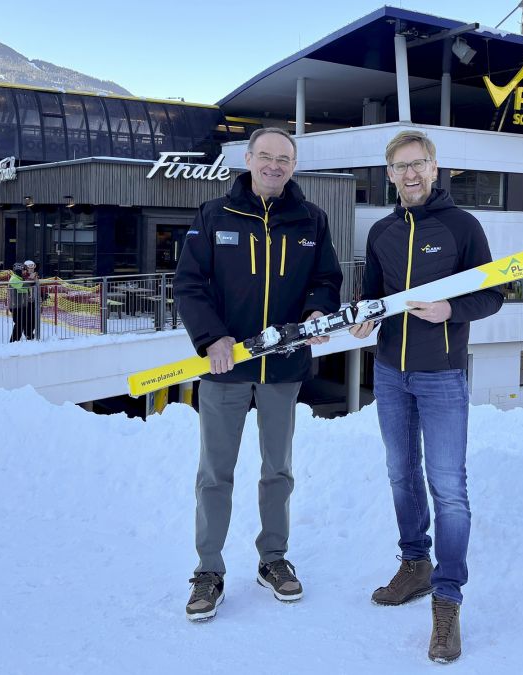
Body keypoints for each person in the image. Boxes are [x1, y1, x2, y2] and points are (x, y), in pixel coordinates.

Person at [173, 127, 343, 622]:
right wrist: (211, 337)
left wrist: (317, 312)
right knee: (215, 473)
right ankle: (208, 569)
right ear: (248, 159)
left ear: (294, 166)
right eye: (265, 156)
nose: (274, 165)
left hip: (284, 368)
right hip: (225, 367)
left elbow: (326, 279)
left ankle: (273, 559)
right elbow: (189, 283)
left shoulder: (312, 219)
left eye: (283, 159)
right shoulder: (214, 214)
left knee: (278, 471)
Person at [350, 129, 503, 663]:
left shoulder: (463, 227)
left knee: (449, 487)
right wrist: (365, 317)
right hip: (390, 373)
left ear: (435, 169)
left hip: (441, 376)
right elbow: (373, 295)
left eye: (419, 164)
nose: (410, 174)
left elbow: (493, 294)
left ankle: (447, 598)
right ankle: (415, 564)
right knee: (400, 473)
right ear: (389, 174)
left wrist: (451, 310)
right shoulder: (382, 231)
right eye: (400, 166)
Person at [8, 262, 33, 342]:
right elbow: (23, 287)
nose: (25, 272)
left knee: (24, 322)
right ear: (19, 271)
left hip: (21, 305)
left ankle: (28, 335)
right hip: (16, 305)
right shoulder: (14, 279)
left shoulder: (19, 278)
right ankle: (13, 341)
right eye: (23, 270)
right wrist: (31, 281)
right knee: (19, 323)